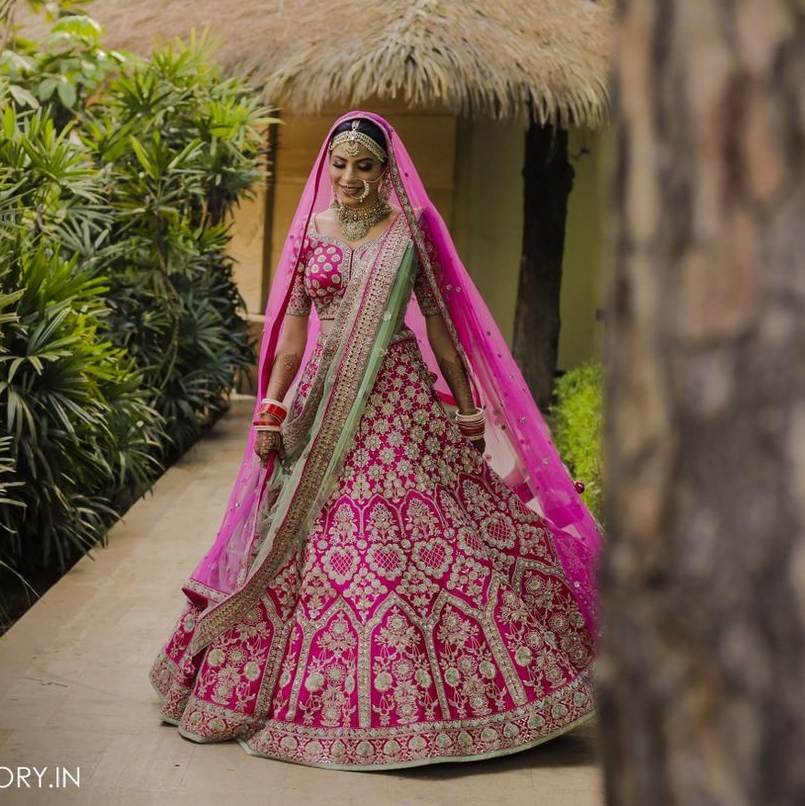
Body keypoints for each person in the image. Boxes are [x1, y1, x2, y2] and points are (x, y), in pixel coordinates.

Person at [150, 111, 601, 770]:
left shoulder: (411, 233)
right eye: (340, 165)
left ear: (387, 171)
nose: (351, 178)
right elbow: (294, 333)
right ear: (327, 168)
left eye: (365, 166)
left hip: (398, 399)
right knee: (317, 534)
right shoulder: (310, 232)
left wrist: (469, 411)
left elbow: (443, 330)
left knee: (420, 532)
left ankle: (455, 699)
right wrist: (271, 409)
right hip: (324, 398)